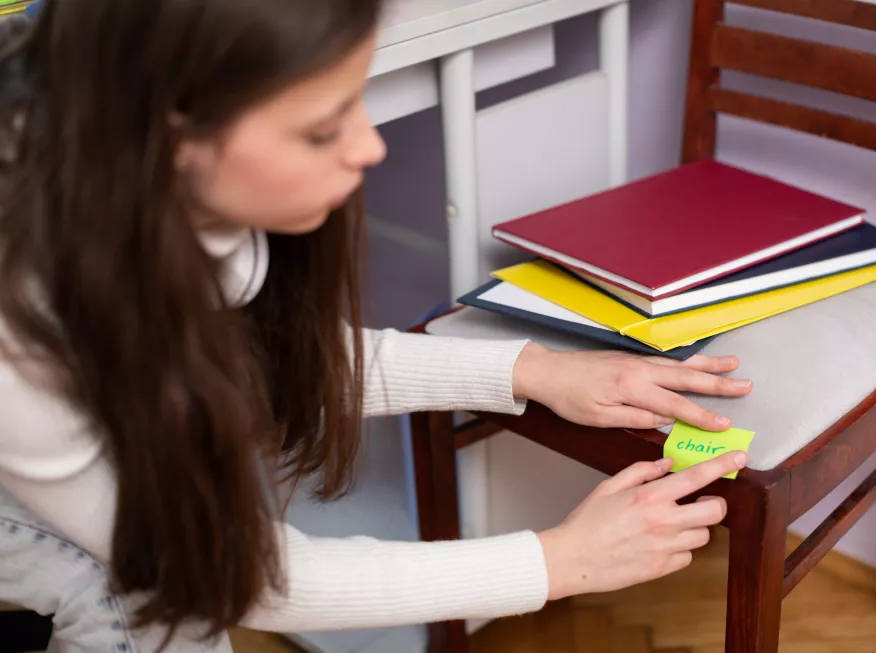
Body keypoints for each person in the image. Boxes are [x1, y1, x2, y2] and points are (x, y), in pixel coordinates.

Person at [0, 1, 754, 651]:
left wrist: (529, 369)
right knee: (149, 598)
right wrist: (557, 561)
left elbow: (271, 363)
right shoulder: (25, 310)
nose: (371, 147)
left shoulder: (162, 195)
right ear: (170, 139)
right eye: (323, 129)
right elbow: (249, 578)